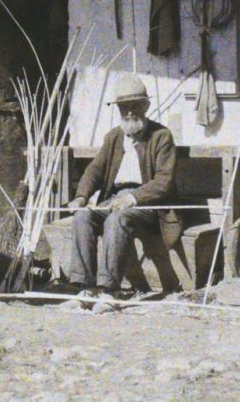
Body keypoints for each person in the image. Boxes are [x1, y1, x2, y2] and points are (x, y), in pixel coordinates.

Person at [61, 77, 179, 300]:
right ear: (118, 109)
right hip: (115, 200)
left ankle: (109, 290)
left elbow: (164, 181)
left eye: (135, 105)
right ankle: (85, 288)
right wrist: (81, 197)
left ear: (146, 106)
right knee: (82, 217)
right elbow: (94, 171)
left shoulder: (161, 136)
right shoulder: (114, 137)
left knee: (116, 219)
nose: (130, 112)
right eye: (124, 107)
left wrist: (133, 198)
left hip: (150, 206)